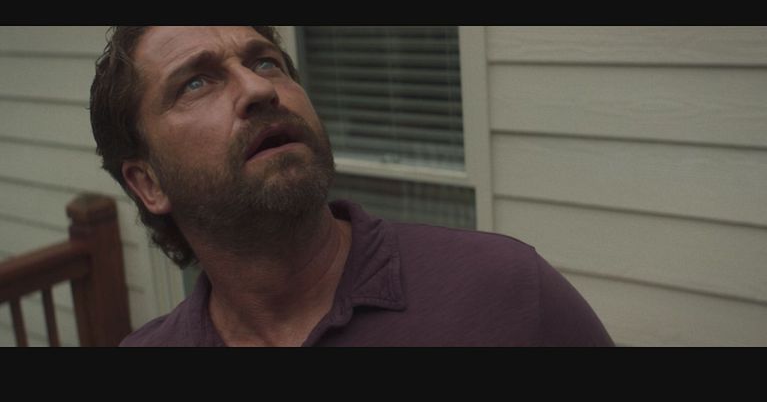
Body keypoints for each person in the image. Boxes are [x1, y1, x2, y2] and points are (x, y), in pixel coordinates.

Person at [89, 26, 614, 347]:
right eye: (196, 82)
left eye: (266, 62)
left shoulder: (505, 291)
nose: (258, 88)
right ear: (149, 183)